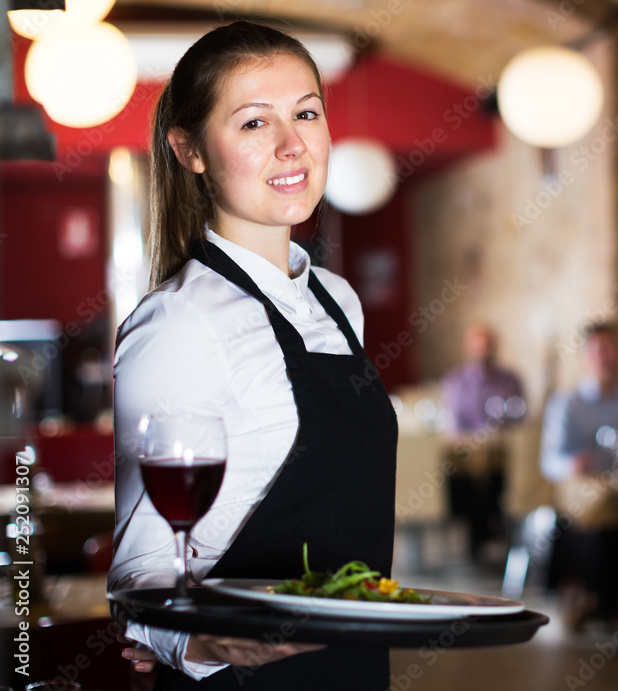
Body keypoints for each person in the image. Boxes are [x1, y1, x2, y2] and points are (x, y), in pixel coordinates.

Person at [109, 21, 396, 689]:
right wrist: (203, 638)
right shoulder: (178, 323)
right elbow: (140, 570)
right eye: (252, 124)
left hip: (353, 669)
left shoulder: (337, 301)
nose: (292, 144)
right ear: (191, 150)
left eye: (306, 112)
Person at [540, 322, 618, 626]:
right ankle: (598, 600)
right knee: (591, 526)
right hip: (582, 504)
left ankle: (617, 600)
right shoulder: (567, 404)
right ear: (585, 357)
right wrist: (571, 464)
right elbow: (548, 461)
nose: (606, 357)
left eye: (612, 349)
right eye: (599, 351)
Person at [440, 324, 524, 558]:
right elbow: (454, 425)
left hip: (502, 455)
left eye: (488, 346)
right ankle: (477, 537)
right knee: (468, 477)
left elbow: (518, 418)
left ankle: (496, 531)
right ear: (470, 348)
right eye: (479, 346)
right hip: (467, 455)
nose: (484, 352)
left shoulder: (510, 380)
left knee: (498, 476)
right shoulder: (456, 381)